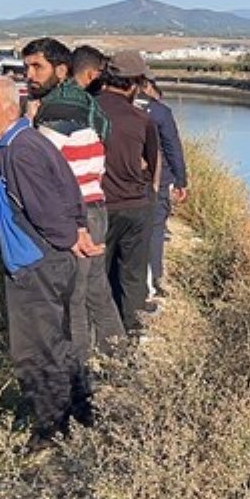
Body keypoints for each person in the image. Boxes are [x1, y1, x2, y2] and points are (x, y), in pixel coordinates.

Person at [0, 74, 89, 447]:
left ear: (8, 106)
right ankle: (78, 410)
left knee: (35, 350)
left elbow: (51, 208)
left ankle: (50, 428)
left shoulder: (21, 149)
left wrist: (69, 237)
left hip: (37, 265)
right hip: (40, 261)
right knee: (56, 341)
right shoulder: (12, 144)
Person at [23, 38, 125, 371]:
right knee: (97, 289)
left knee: (73, 296)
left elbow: (38, 168)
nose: (29, 75)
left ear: (62, 69)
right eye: (26, 67)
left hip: (75, 212)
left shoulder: (57, 110)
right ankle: (119, 359)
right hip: (96, 205)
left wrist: (28, 125)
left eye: (37, 67)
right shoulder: (86, 103)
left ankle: (79, 376)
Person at [94, 51, 160, 334]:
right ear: (134, 83)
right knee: (132, 276)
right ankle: (130, 335)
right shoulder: (142, 119)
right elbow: (154, 166)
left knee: (97, 276)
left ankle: (100, 338)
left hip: (98, 207)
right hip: (136, 206)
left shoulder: (89, 110)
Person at [139, 77, 188, 298]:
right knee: (155, 229)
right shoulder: (159, 113)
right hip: (158, 179)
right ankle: (154, 279)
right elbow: (172, 147)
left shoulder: (107, 107)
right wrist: (181, 180)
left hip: (121, 181)